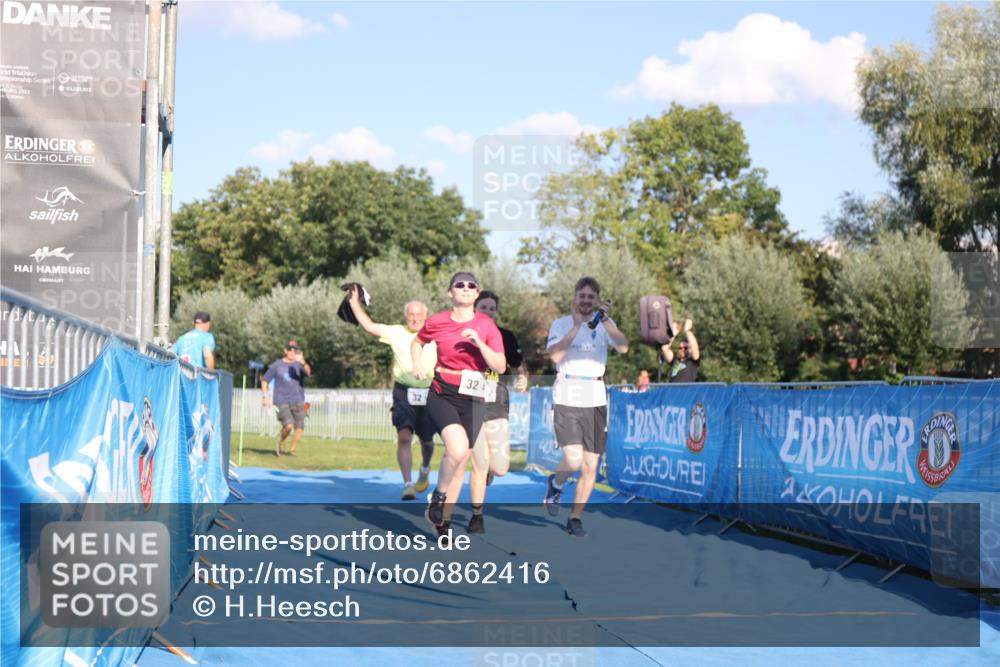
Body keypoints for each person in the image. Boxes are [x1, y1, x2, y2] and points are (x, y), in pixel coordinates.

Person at [411, 272, 505, 537]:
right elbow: (417, 342)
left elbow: (500, 365)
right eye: (459, 285)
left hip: (473, 396)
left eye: (471, 285)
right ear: (450, 292)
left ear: (477, 294)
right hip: (443, 391)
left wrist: (479, 344)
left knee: (460, 459)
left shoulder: (486, 325)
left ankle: (443, 522)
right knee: (458, 447)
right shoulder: (437, 321)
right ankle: (438, 498)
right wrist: (418, 363)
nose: (465, 288)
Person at [543, 277, 628, 537]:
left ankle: (575, 517)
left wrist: (606, 320)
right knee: (573, 458)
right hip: (568, 393)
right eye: (582, 296)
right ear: (575, 297)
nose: (586, 301)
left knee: (591, 464)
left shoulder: (604, 324)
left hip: (595, 396)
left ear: (598, 299)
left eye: (591, 297)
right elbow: (556, 356)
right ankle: (556, 484)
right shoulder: (560, 323)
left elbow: (623, 347)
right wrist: (576, 327)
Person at [347, 286, 438, 500]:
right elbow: (369, 326)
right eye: (411, 314)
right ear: (406, 316)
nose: (415, 318)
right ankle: (407, 484)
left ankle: (424, 469)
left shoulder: (435, 334)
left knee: (427, 440)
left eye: (419, 314)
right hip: (404, 392)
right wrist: (354, 304)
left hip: (430, 392)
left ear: (426, 316)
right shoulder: (396, 332)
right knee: (404, 436)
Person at [466, 290, 527, 534]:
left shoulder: (506, 336)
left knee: (500, 467)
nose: (489, 312)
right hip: (470, 402)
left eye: (493, 308)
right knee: (479, 462)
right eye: (484, 307)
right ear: (475, 307)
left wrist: (522, 378)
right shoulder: (465, 333)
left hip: (498, 401)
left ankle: (489, 472)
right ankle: (477, 516)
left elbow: (517, 364)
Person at [261, 340, 312, 456]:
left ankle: (292, 450)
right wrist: (265, 396)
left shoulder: (299, 364)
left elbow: (309, 373)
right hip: (281, 399)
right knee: (288, 426)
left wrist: (303, 362)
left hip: (298, 399)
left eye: (295, 350)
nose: (292, 352)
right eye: (290, 350)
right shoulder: (277, 365)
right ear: (285, 350)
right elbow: (265, 380)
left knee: (299, 426)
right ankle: (281, 442)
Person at [661, 318, 700, 383]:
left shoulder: (693, 361)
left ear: (689, 349)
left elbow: (694, 344)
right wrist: (673, 333)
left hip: (686, 392)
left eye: (685, 348)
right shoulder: (674, 360)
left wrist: (687, 330)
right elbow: (664, 348)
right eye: (680, 348)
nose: (682, 349)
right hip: (672, 391)